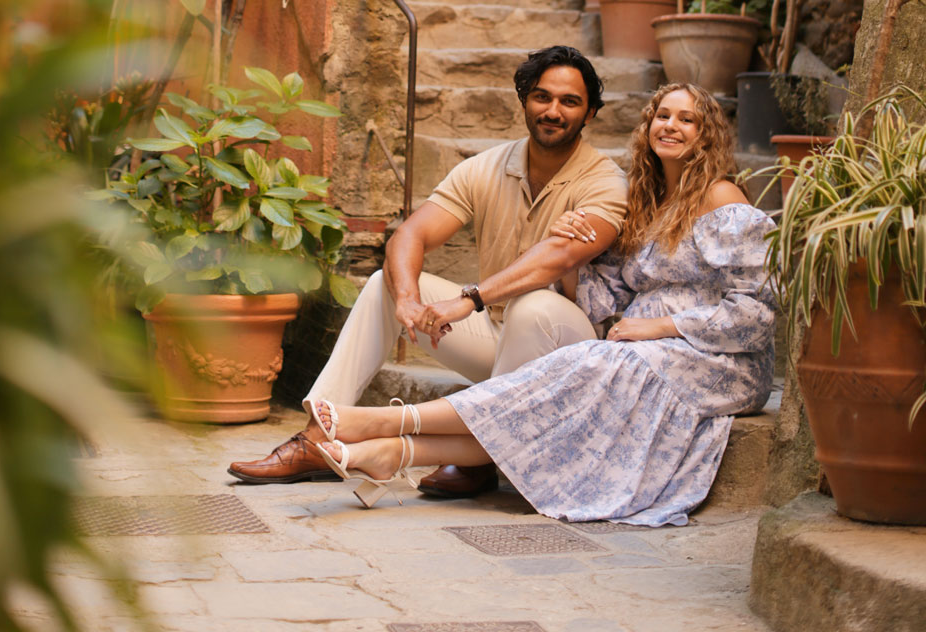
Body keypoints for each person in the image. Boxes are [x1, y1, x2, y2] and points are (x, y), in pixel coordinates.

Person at [310, 82, 777, 526]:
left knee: (590, 364)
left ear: (706, 134)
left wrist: (656, 328)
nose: (671, 125)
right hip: (640, 351)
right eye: (663, 115)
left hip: (715, 359)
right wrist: (569, 254)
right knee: (551, 396)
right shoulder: (648, 202)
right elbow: (602, 300)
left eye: (687, 119)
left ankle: (383, 421)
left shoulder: (721, 197)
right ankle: (394, 452)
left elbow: (756, 313)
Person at [227, 45, 628, 496]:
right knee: (385, 283)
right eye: (542, 97)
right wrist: (407, 301)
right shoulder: (487, 167)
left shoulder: (605, 181)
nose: (553, 111)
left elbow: (559, 258)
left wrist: (470, 299)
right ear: (524, 100)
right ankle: (317, 437)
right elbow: (409, 236)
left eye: (569, 102)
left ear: (590, 112)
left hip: (566, 353)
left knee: (534, 305)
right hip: (498, 341)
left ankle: (475, 453)